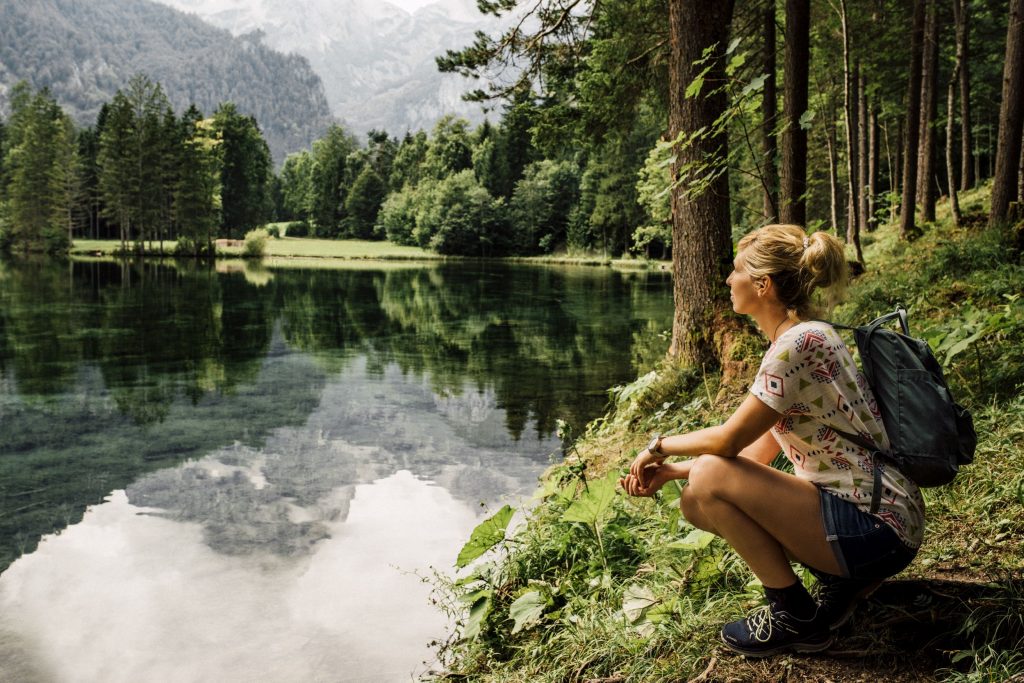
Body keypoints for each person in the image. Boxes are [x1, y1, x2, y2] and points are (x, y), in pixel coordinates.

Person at [619, 224, 924, 657]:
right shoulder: (806, 335)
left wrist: (658, 445)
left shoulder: (794, 347)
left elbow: (725, 444)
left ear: (762, 285)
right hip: (885, 523)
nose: (728, 280)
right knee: (695, 497)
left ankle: (795, 616)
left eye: (736, 271)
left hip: (875, 528)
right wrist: (671, 473)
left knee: (707, 473)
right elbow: (754, 456)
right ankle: (844, 583)